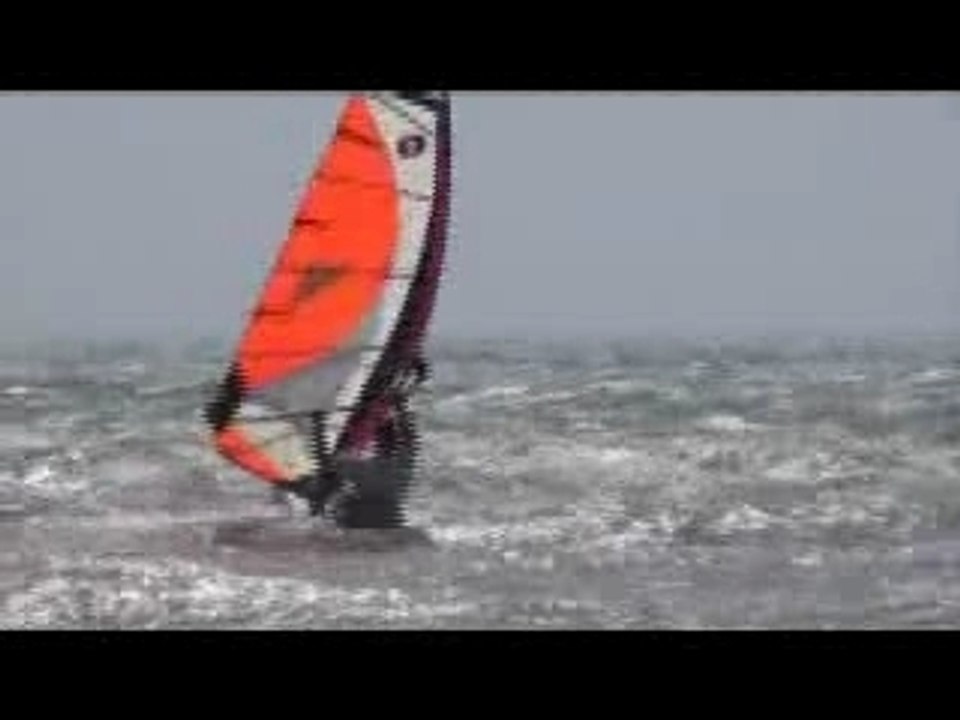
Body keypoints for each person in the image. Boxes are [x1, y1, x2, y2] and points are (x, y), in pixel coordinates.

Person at [284, 357, 429, 529]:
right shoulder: (397, 470)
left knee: (325, 486)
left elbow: (324, 462)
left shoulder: (360, 471)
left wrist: (318, 424)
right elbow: (409, 439)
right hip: (384, 522)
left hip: (363, 523)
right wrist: (400, 405)